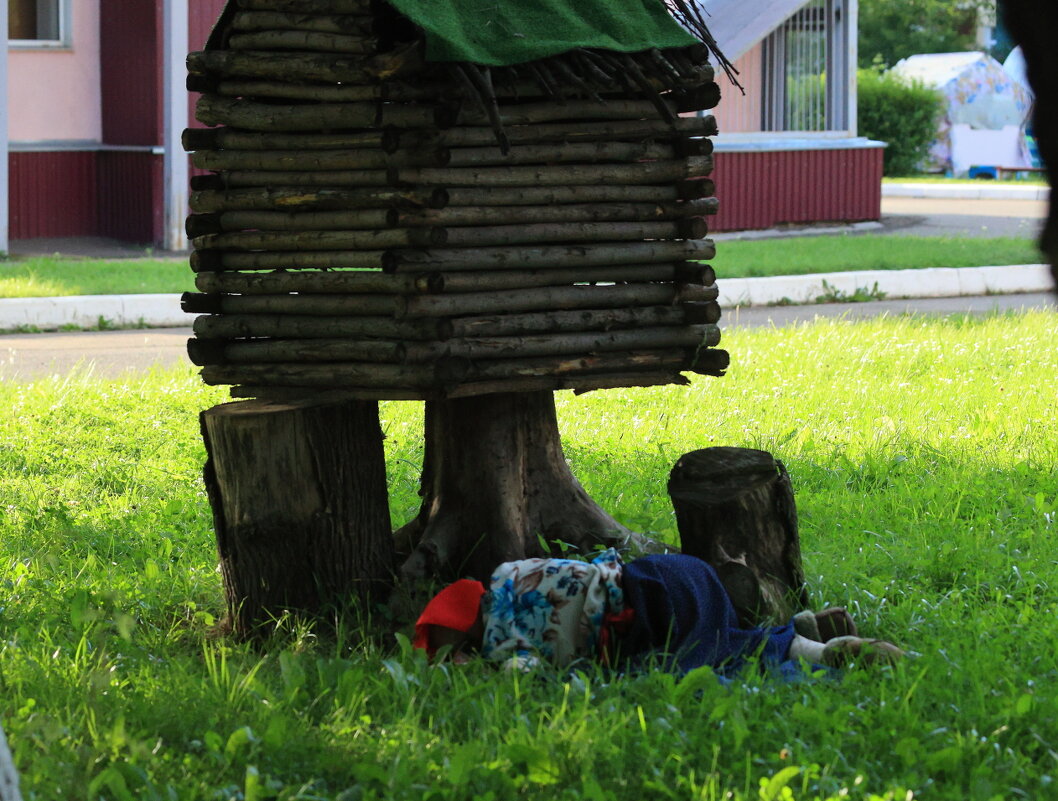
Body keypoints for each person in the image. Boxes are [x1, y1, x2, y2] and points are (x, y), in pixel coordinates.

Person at [413, 549, 904, 676]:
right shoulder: (510, 572)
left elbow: (525, 674)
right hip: (671, 573)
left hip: (642, 613)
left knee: (716, 657)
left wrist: (474, 671)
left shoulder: (502, 638)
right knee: (724, 633)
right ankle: (809, 631)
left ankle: (821, 652)